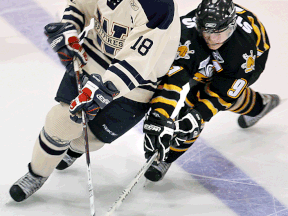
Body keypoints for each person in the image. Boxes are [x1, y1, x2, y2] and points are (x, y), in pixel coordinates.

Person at [9, 0, 181, 202]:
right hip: (93, 60)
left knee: (90, 140)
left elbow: (137, 63)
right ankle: (37, 174)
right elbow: (80, 6)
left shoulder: (158, 6)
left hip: (136, 86)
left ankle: (73, 149)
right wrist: (69, 29)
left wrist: (102, 92)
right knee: (61, 123)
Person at [142, 0, 280, 182]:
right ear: (199, 26)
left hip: (251, 59)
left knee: (199, 99)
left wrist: (196, 117)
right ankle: (260, 105)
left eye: (219, 33)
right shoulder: (186, 33)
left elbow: (221, 95)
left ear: (231, 27)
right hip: (208, 51)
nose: (211, 39)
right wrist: (158, 116)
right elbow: (171, 81)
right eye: (206, 32)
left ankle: (166, 156)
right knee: (192, 78)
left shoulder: (242, 51)